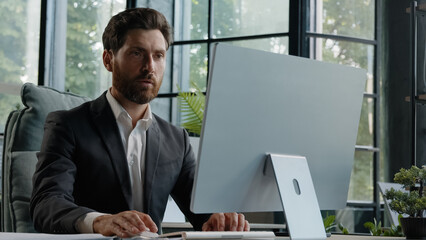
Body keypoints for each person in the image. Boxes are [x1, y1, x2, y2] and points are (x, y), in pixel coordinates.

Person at [30, 8, 249, 238]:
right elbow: (46, 204)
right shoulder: (67, 126)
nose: (150, 67)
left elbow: (201, 212)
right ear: (108, 60)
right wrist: (100, 221)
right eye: (137, 53)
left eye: (158, 55)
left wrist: (218, 219)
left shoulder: (177, 140)